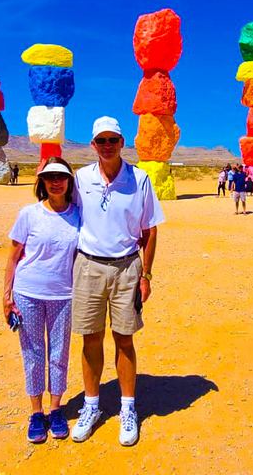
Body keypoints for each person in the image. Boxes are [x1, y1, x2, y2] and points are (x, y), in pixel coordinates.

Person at [71, 117, 164, 446]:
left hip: (127, 269)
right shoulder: (80, 179)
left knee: (124, 340)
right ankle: (91, 405)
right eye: (101, 140)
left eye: (113, 139)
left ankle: (127, 408)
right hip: (88, 267)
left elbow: (151, 230)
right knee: (90, 340)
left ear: (122, 142)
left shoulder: (139, 179)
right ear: (93, 145)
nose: (107, 145)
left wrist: (147, 274)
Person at [4, 156, 79, 443]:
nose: (55, 182)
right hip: (28, 293)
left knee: (59, 354)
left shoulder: (77, 215)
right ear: (42, 182)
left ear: (69, 182)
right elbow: (12, 257)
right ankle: (36, 412)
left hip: (63, 295)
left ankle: (56, 409)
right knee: (33, 354)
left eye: (61, 177)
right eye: (49, 177)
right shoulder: (29, 214)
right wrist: (6, 296)